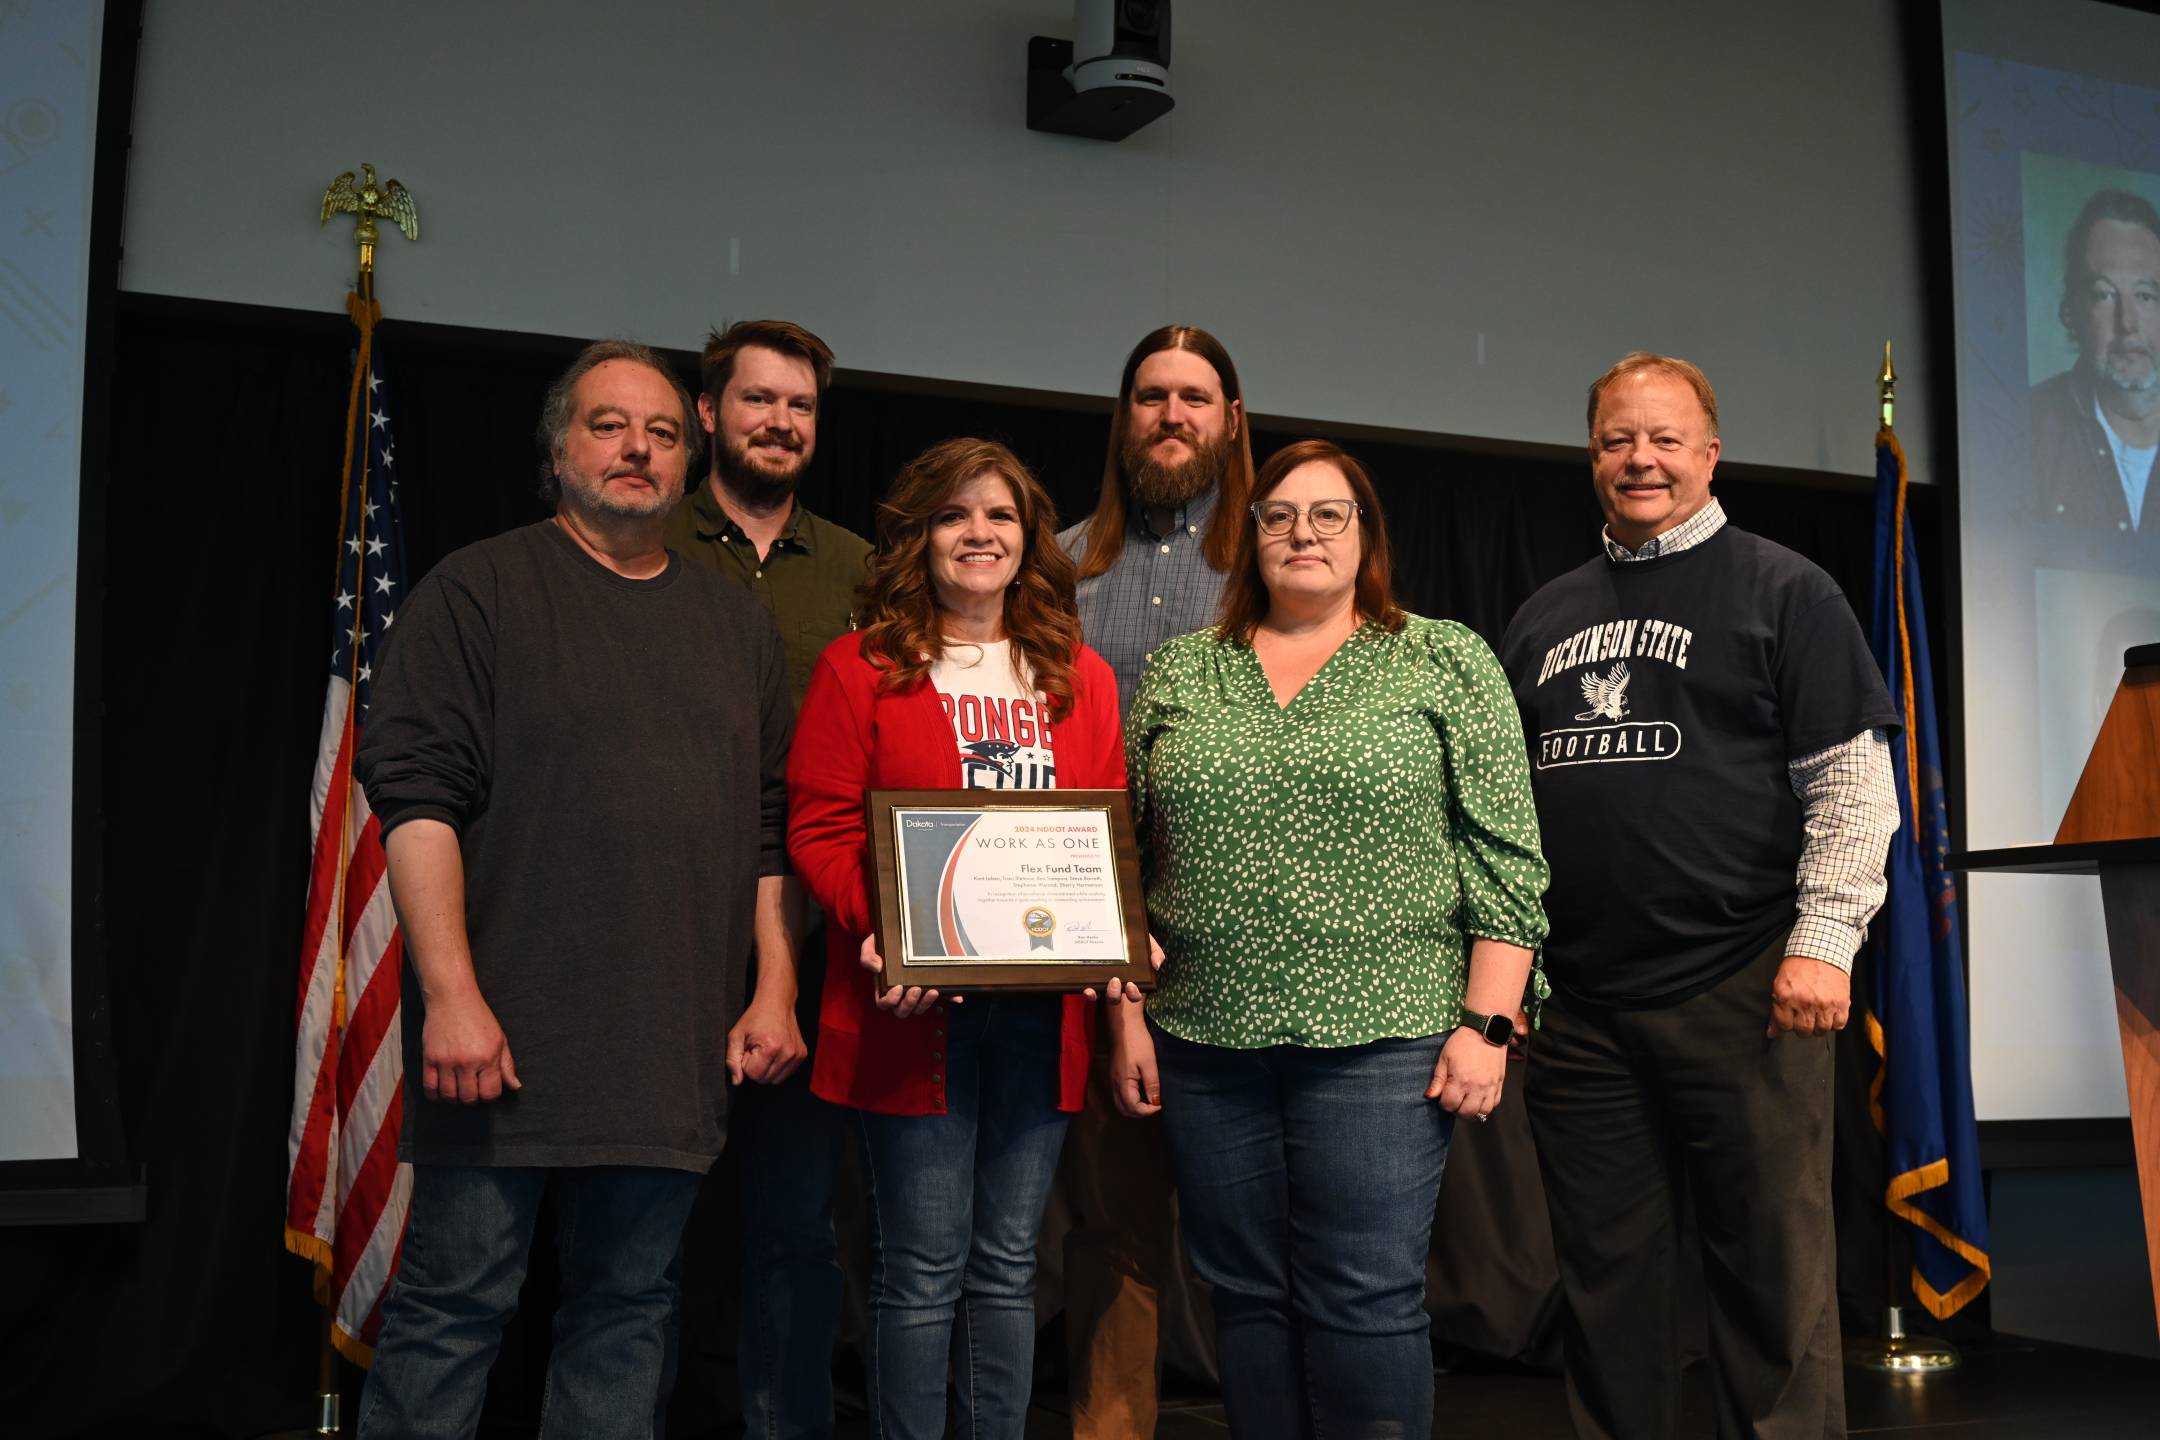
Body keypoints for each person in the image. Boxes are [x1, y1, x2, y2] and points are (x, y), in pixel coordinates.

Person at [354, 340, 794, 1440]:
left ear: (690, 460)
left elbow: (770, 830)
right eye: (608, 425)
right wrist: (451, 995)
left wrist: (775, 987)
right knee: (454, 1312)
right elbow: (416, 805)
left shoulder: (735, 623)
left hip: (667, 1050)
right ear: (557, 449)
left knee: (628, 1313)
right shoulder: (480, 590)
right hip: (498, 1045)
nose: (636, 449)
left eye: (660, 432)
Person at [1112, 438, 1551, 1439]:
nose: (1301, 533)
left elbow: (1507, 854)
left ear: (1367, 534)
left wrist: (1489, 1020)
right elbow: (1123, 862)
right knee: (1248, 1297)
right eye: (1277, 515)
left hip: (1384, 1040)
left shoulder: (1441, 659)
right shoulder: (1184, 670)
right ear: (1250, 537)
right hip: (1206, 1040)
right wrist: (1127, 1009)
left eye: (1328, 514)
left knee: (1363, 1300)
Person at [1498, 353, 1901, 1439]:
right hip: (1583, 1011)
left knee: (1771, 1288)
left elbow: (1854, 787)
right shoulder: (1541, 619)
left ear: (1710, 454)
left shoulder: (1784, 589)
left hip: (1747, 990)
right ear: (1593, 458)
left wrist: (1824, 943)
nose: (1642, 459)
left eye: (1666, 439)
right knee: (1605, 1296)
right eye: (1619, 440)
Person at [786, 438, 1128, 1440]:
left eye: (1000, 517)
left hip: (1042, 1015)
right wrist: (887, 933)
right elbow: (818, 827)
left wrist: (1119, 945)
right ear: (919, 537)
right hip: (911, 1014)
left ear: (1030, 540)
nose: (977, 535)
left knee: (1009, 1267)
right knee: (923, 1269)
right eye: (952, 515)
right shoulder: (862, 668)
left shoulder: (1082, 678)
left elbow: (1106, 834)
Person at [663, 318, 870, 1438]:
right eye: (758, 401)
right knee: (642, 1222)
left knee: (796, 1222)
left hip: (809, 932)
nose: (780, 423)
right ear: (709, 413)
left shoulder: (860, 572)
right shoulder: (647, 543)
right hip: (663, 928)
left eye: (799, 407)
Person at [1053, 323, 1254, 1438]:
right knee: (1114, 1222)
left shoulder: (1278, 566)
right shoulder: (1055, 565)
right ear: (1123, 416)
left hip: (1244, 938)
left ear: (1231, 418)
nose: (1171, 415)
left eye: (1194, 396)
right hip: (1093, 938)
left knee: (1262, 1229)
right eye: (1149, 396)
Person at [2031, 188, 2160, 537]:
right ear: (2072, 308)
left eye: (2146, 296)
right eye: (2104, 295)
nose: (2128, 323)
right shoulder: (2026, 428)